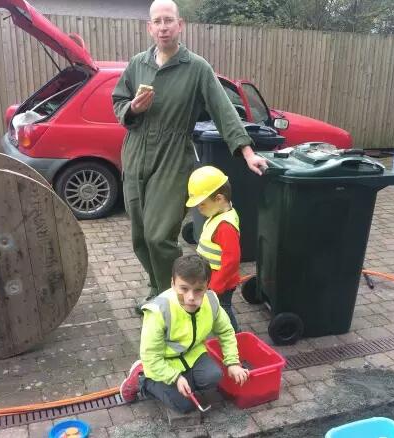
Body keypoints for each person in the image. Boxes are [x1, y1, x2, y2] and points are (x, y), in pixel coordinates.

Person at [112, 0, 267, 310]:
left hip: (173, 157)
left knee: (159, 237)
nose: (163, 27)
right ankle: (158, 288)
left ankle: (175, 299)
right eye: (157, 21)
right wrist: (132, 108)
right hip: (135, 153)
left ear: (180, 25)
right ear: (150, 27)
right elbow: (119, 101)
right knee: (140, 237)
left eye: (169, 20)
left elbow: (223, 110)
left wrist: (247, 151)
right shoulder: (137, 63)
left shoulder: (196, 68)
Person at [119, 254, 249, 413]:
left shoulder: (211, 301)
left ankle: (182, 383)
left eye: (198, 290)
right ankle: (141, 378)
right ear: (173, 284)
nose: (191, 298)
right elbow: (151, 356)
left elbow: (226, 331)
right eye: (184, 289)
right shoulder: (158, 311)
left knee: (213, 376)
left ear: (207, 286)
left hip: (193, 355)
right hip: (164, 362)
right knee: (184, 405)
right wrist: (175, 378)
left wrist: (233, 363)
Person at [186, 166, 241, 332]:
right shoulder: (219, 214)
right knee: (216, 308)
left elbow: (232, 260)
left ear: (218, 199)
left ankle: (235, 337)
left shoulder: (225, 226)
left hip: (221, 282)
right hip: (212, 278)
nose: (198, 208)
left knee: (223, 310)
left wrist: (217, 284)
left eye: (202, 204)